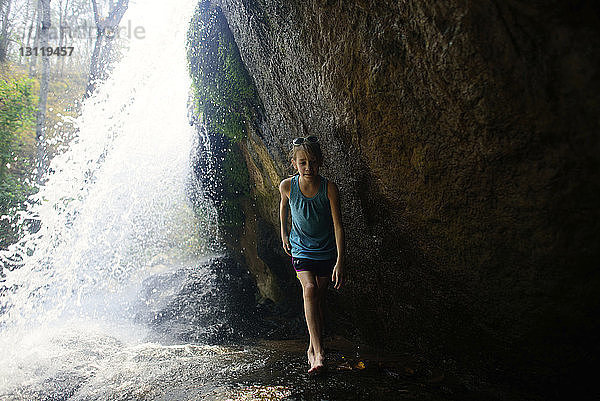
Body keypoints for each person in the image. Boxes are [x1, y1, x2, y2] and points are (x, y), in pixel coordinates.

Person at [279, 135, 345, 374]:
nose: (308, 168)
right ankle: (318, 354)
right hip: (301, 248)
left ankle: (311, 347)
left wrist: (340, 260)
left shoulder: (329, 189)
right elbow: (284, 206)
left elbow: (338, 225)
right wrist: (284, 234)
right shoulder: (287, 186)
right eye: (303, 162)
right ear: (294, 164)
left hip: (326, 251)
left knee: (319, 300)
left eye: (313, 162)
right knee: (310, 290)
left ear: (320, 162)